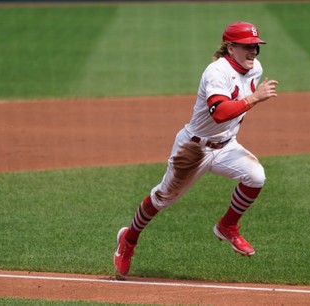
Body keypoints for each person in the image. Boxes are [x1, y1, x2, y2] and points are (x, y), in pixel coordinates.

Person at [114, 21, 278, 276]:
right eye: (247, 47)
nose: (254, 52)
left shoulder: (255, 68)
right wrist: (255, 98)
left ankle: (227, 227)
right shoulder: (216, 72)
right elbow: (220, 113)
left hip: (226, 146)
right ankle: (128, 240)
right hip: (194, 149)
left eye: (256, 47)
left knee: (256, 176)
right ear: (230, 47)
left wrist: (250, 100)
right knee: (162, 199)